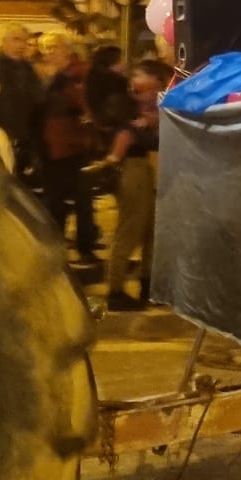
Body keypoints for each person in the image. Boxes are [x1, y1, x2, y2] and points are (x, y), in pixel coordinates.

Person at [103, 61, 165, 310]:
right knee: (130, 228)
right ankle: (115, 291)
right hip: (134, 166)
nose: (137, 81)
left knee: (153, 229)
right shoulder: (124, 103)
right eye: (138, 76)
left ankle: (148, 286)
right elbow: (124, 133)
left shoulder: (157, 103)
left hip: (155, 166)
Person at [38, 41, 100, 268]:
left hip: (72, 144)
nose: (50, 52)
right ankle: (61, 245)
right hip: (56, 144)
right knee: (59, 198)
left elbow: (82, 104)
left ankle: (82, 246)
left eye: (54, 48)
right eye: (48, 49)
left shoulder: (75, 74)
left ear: (67, 51)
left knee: (77, 198)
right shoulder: (54, 75)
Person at [0, 26, 45, 180]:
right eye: (16, 40)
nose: (21, 45)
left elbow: (36, 101)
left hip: (23, 138)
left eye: (24, 41)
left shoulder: (28, 69)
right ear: (4, 42)